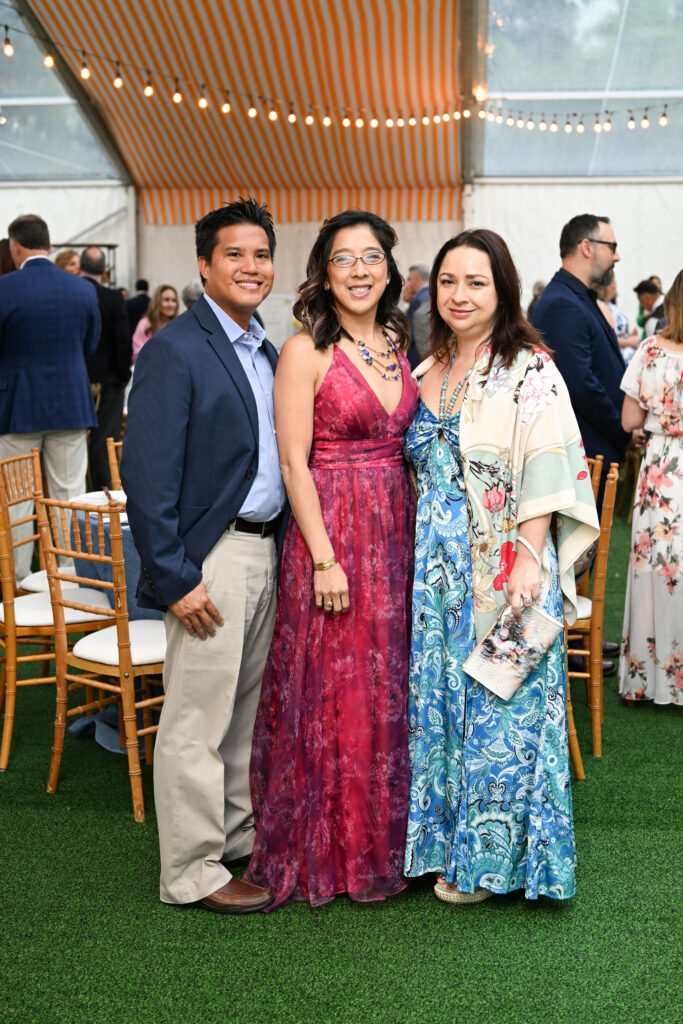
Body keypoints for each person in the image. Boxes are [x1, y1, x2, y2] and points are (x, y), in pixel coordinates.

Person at [403, 229, 599, 904]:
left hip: (500, 563)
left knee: (500, 712)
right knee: (444, 706)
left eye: (476, 282)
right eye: (448, 282)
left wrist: (526, 553)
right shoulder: (426, 367)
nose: (459, 295)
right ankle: (442, 842)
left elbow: (547, 457)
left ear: (502, 289)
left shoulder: (528, 367)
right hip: (434, 573)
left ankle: (490, 866)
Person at [244, 210, 419, 909]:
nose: (358, 269)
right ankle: (331, 848)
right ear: (323, 271)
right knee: (331, 689)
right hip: (332, 533)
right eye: (342, 258)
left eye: (370, 256)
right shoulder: (303, 351)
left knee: (383, 686)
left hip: (394, 534)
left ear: (388, 268)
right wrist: (323, 558)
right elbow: (292, 460)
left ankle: (385, 843)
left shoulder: (397, 343)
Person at [121, 198, 284, 915]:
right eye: (234, 255)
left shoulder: (264, 346)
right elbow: (146, 474)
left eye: (260, 254)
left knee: (241, 713)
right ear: (203, 264)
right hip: (210, 558)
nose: (250, 267)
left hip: (262, 552)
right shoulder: (174, 348)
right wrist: (175, 576)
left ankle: (233, 840)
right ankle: (192, 871)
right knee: (194, 719)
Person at [0, 214, 100, 581]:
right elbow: (90, 344)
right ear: (49, 244)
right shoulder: (83, 289)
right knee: (70, 494)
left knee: (18, 500)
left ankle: (20, 578)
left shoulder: (4, 288)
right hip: (70, 402)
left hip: (17, 408)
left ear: (15, 247)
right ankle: (72, 574)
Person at [532, 214, 636, 510]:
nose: (617, 256)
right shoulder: (564, 302)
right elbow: (580, 385)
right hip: (584, 456)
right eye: (612, 246)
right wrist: (623, 430)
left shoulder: (577, 297)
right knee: (582, 556)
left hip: (594, 453)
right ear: (587, 247)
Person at [619, 269, 683, 707]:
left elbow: (629, 421)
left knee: (654, 568)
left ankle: (646, 681)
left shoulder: (650, 349)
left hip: (662, 466)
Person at [80, 246, 132, 489]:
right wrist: (123, 375)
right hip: (108, 380)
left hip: (79, 379)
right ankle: (103, 495)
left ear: (81, 267)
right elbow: (123, 339)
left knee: (76, 442)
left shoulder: (74, 293)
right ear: (105, 270)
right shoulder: (112, 298)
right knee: (104, 442)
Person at [597, 273, 639, 363]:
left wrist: (628, 336)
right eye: (613, 282)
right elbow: (607, 338)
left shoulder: (611, 306)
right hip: (618, 357)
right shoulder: (600, 306)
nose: (615, 285)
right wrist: (630, 342)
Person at [131, 284, 179, 363]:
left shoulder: (178, 324)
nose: (171, 305)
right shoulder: (145, 324)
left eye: (174, 300)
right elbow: (137, 354)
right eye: (166, 300)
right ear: (157, 302)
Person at [403, 262, 431, 368]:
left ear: (415, 277)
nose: (408, 283)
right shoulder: (434, 294)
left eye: (409, 279)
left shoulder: (418, 299)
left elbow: (412, 332)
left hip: (417, 355)